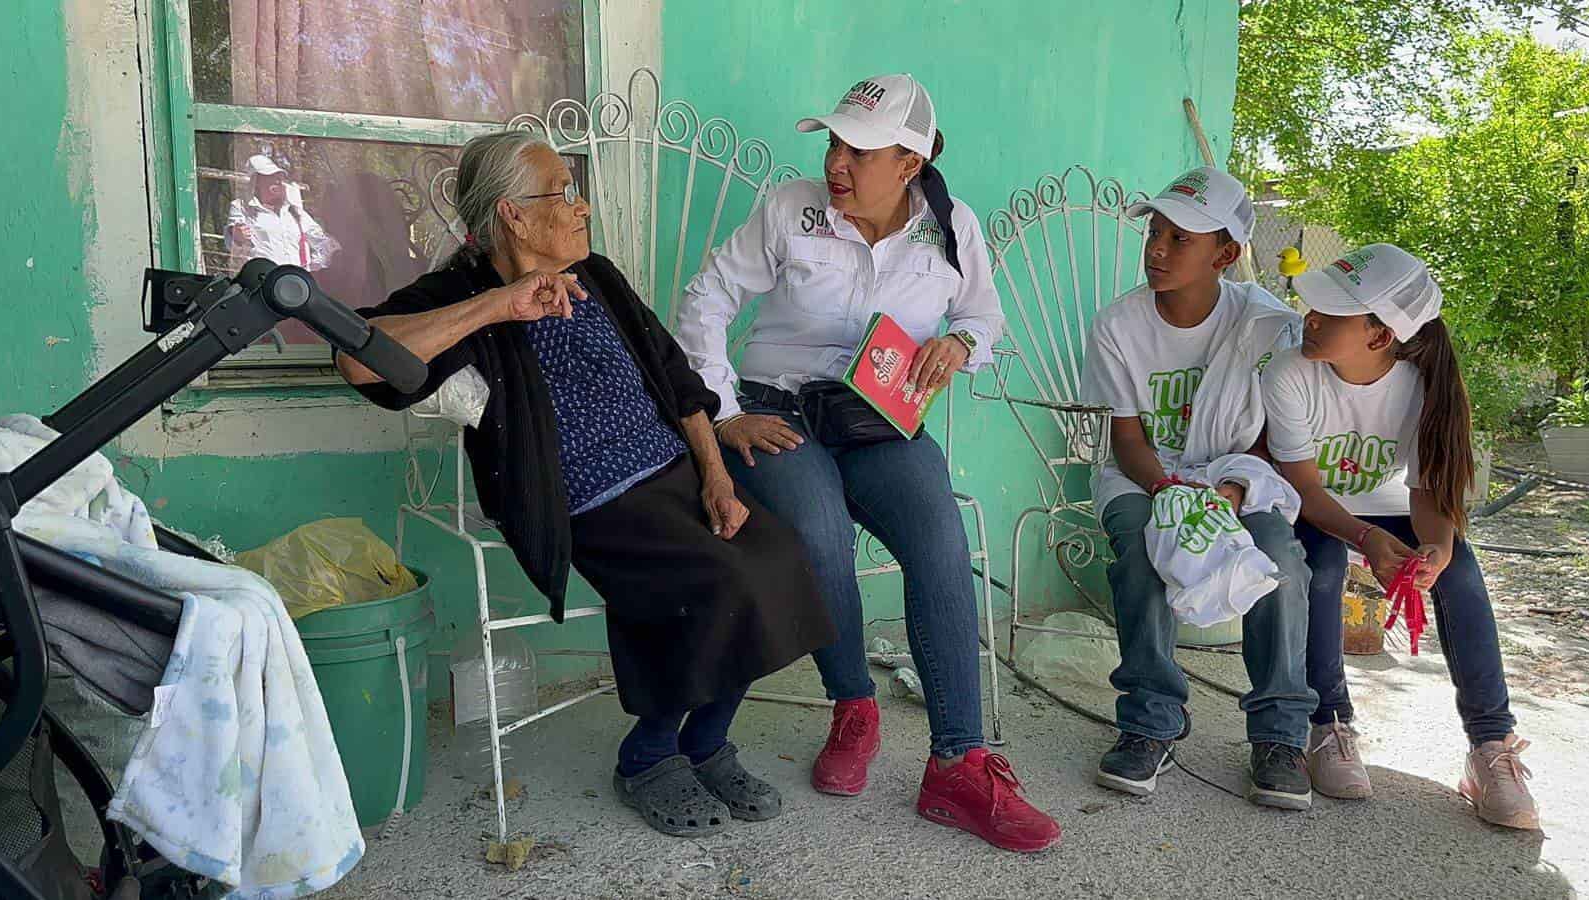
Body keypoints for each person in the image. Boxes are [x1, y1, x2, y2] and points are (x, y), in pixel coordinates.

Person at [337, 131, 836, 839]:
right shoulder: (461, 291)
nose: (582, 208)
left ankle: (704, 742)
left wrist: (716, 475)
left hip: (673, 470)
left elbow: (676, 377)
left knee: (784, 558)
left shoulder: (596, 275)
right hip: (586, 497)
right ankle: (648, 755)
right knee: (717, 581)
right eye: (563, 195)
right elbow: (359, 361)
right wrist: (499, 306)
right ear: (511, 213)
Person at [675, 74, 1060, 853]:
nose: (836, 162)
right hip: (778, 411)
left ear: (910, 163)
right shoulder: (791, 207)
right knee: (818, 538)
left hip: (880, 418)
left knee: (940, 544)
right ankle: (853, 705)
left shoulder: (952, 227)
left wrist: (961, 343)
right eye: (833, 143)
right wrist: (723, 414)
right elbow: (707, 299)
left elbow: (983, 315)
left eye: (858, 149)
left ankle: (960, 762)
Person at [1262, 243, 1540, 829]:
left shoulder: (1423, 385)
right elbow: (1308, 494)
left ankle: (1491, 746)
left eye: (1330, 313)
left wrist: (1435, 549)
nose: (1309, 317)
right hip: (1313, 504)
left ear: (1379, 335)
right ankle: (1329, 723)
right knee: (1322, 569)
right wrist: (1365, 539)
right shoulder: (1290, 372)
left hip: (1384, 504)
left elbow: (1428, 496)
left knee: (1459, 570)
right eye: (1313, 305)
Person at [1081, 166, 1318, 810]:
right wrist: (1169, 491)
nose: (1158, 249)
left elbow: (1272, 439)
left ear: (1226, 253)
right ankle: (1149, 720)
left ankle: (1279, 734)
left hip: (1239, 474)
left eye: (1181, 238)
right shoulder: (1117, 327)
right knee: (1140, 548)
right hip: (1144, 475)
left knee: (1282, 562)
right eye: (1154, 232)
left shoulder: (1267, 326)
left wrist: (1231, 495)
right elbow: (1125, 440)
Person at [225, 154, 338, 271]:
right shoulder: (242, 207)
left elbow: (324, 242)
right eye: (270, 176)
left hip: (293, 282)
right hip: (262, 281)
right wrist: (236, 235)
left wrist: (310, 269)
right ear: (256, 181)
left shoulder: (294, 211)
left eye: (279, 176)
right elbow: (233, 244)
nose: (277, 180)